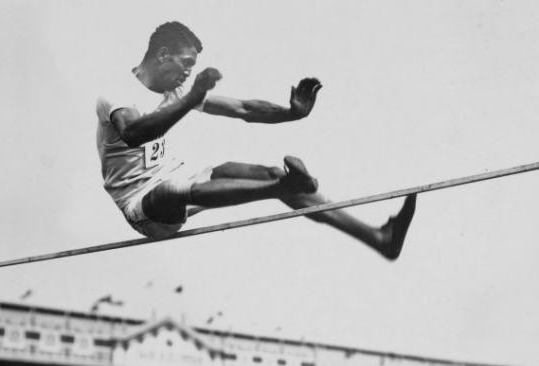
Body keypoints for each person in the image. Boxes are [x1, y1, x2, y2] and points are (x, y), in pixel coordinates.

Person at [95, 21, 417, 258]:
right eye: (186, 65)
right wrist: (191, 97)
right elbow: (135, 134)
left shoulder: (176, 92)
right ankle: (279, 188)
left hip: (179, 182)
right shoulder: (117, 92)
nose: (188, 74)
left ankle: (379, 239)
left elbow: (243, 108)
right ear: (163, 55)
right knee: (173, 189)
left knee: (269, 172)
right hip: (142, 206)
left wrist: (291, 113)